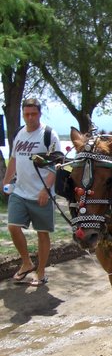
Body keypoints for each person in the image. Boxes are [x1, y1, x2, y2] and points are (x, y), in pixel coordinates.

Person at [2, 98, 61, 285]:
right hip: (20, 191)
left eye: (33, 114)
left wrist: (46, 189)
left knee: (42, 233)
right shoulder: (19, 133)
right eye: (26, 114)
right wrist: (5, 180)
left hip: (41, 194)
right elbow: (14, 159)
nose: (30, 118)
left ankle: (41, 272)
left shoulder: (49, 135)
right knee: (13, 226)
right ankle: (26, 263)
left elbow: (57, 164)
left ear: (40, 113)